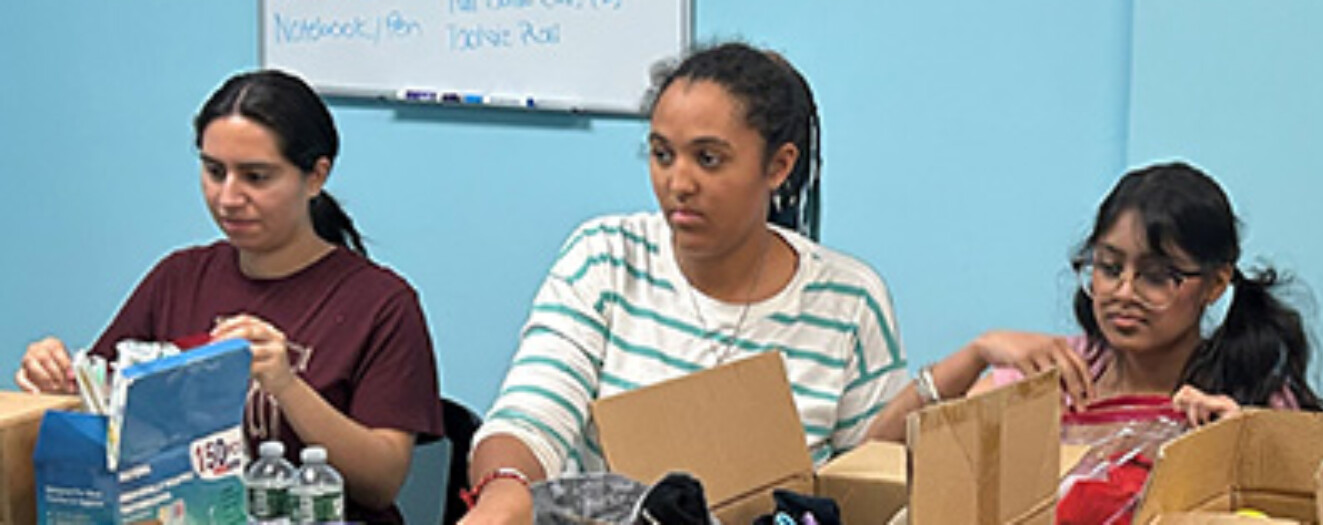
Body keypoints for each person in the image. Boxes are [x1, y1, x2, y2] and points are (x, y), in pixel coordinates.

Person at [460, 42, 906, 523]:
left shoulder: (847, 301)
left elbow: (871, 483)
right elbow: (530, 416)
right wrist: (504, 492)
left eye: (708, 159)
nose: (678, 182)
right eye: (662, 154)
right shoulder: (605, 258)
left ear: (778, 166)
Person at [13, 69, 443, 523]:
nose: (228, 198)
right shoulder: (178, 277)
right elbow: (103, 408)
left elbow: (381, 482)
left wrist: (286, 386)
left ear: (316, 176)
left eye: (256, 177)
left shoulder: (381, 304)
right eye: (214, 171)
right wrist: (61, 379)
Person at [867, 162, 1323, 443]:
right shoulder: (1060, 375)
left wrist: (1238, 444)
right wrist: (977, 352)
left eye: (1156, 277)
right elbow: (877, 454)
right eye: (1108, 268)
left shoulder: (1245, 398)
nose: (1123, 293)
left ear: (1215, 283)